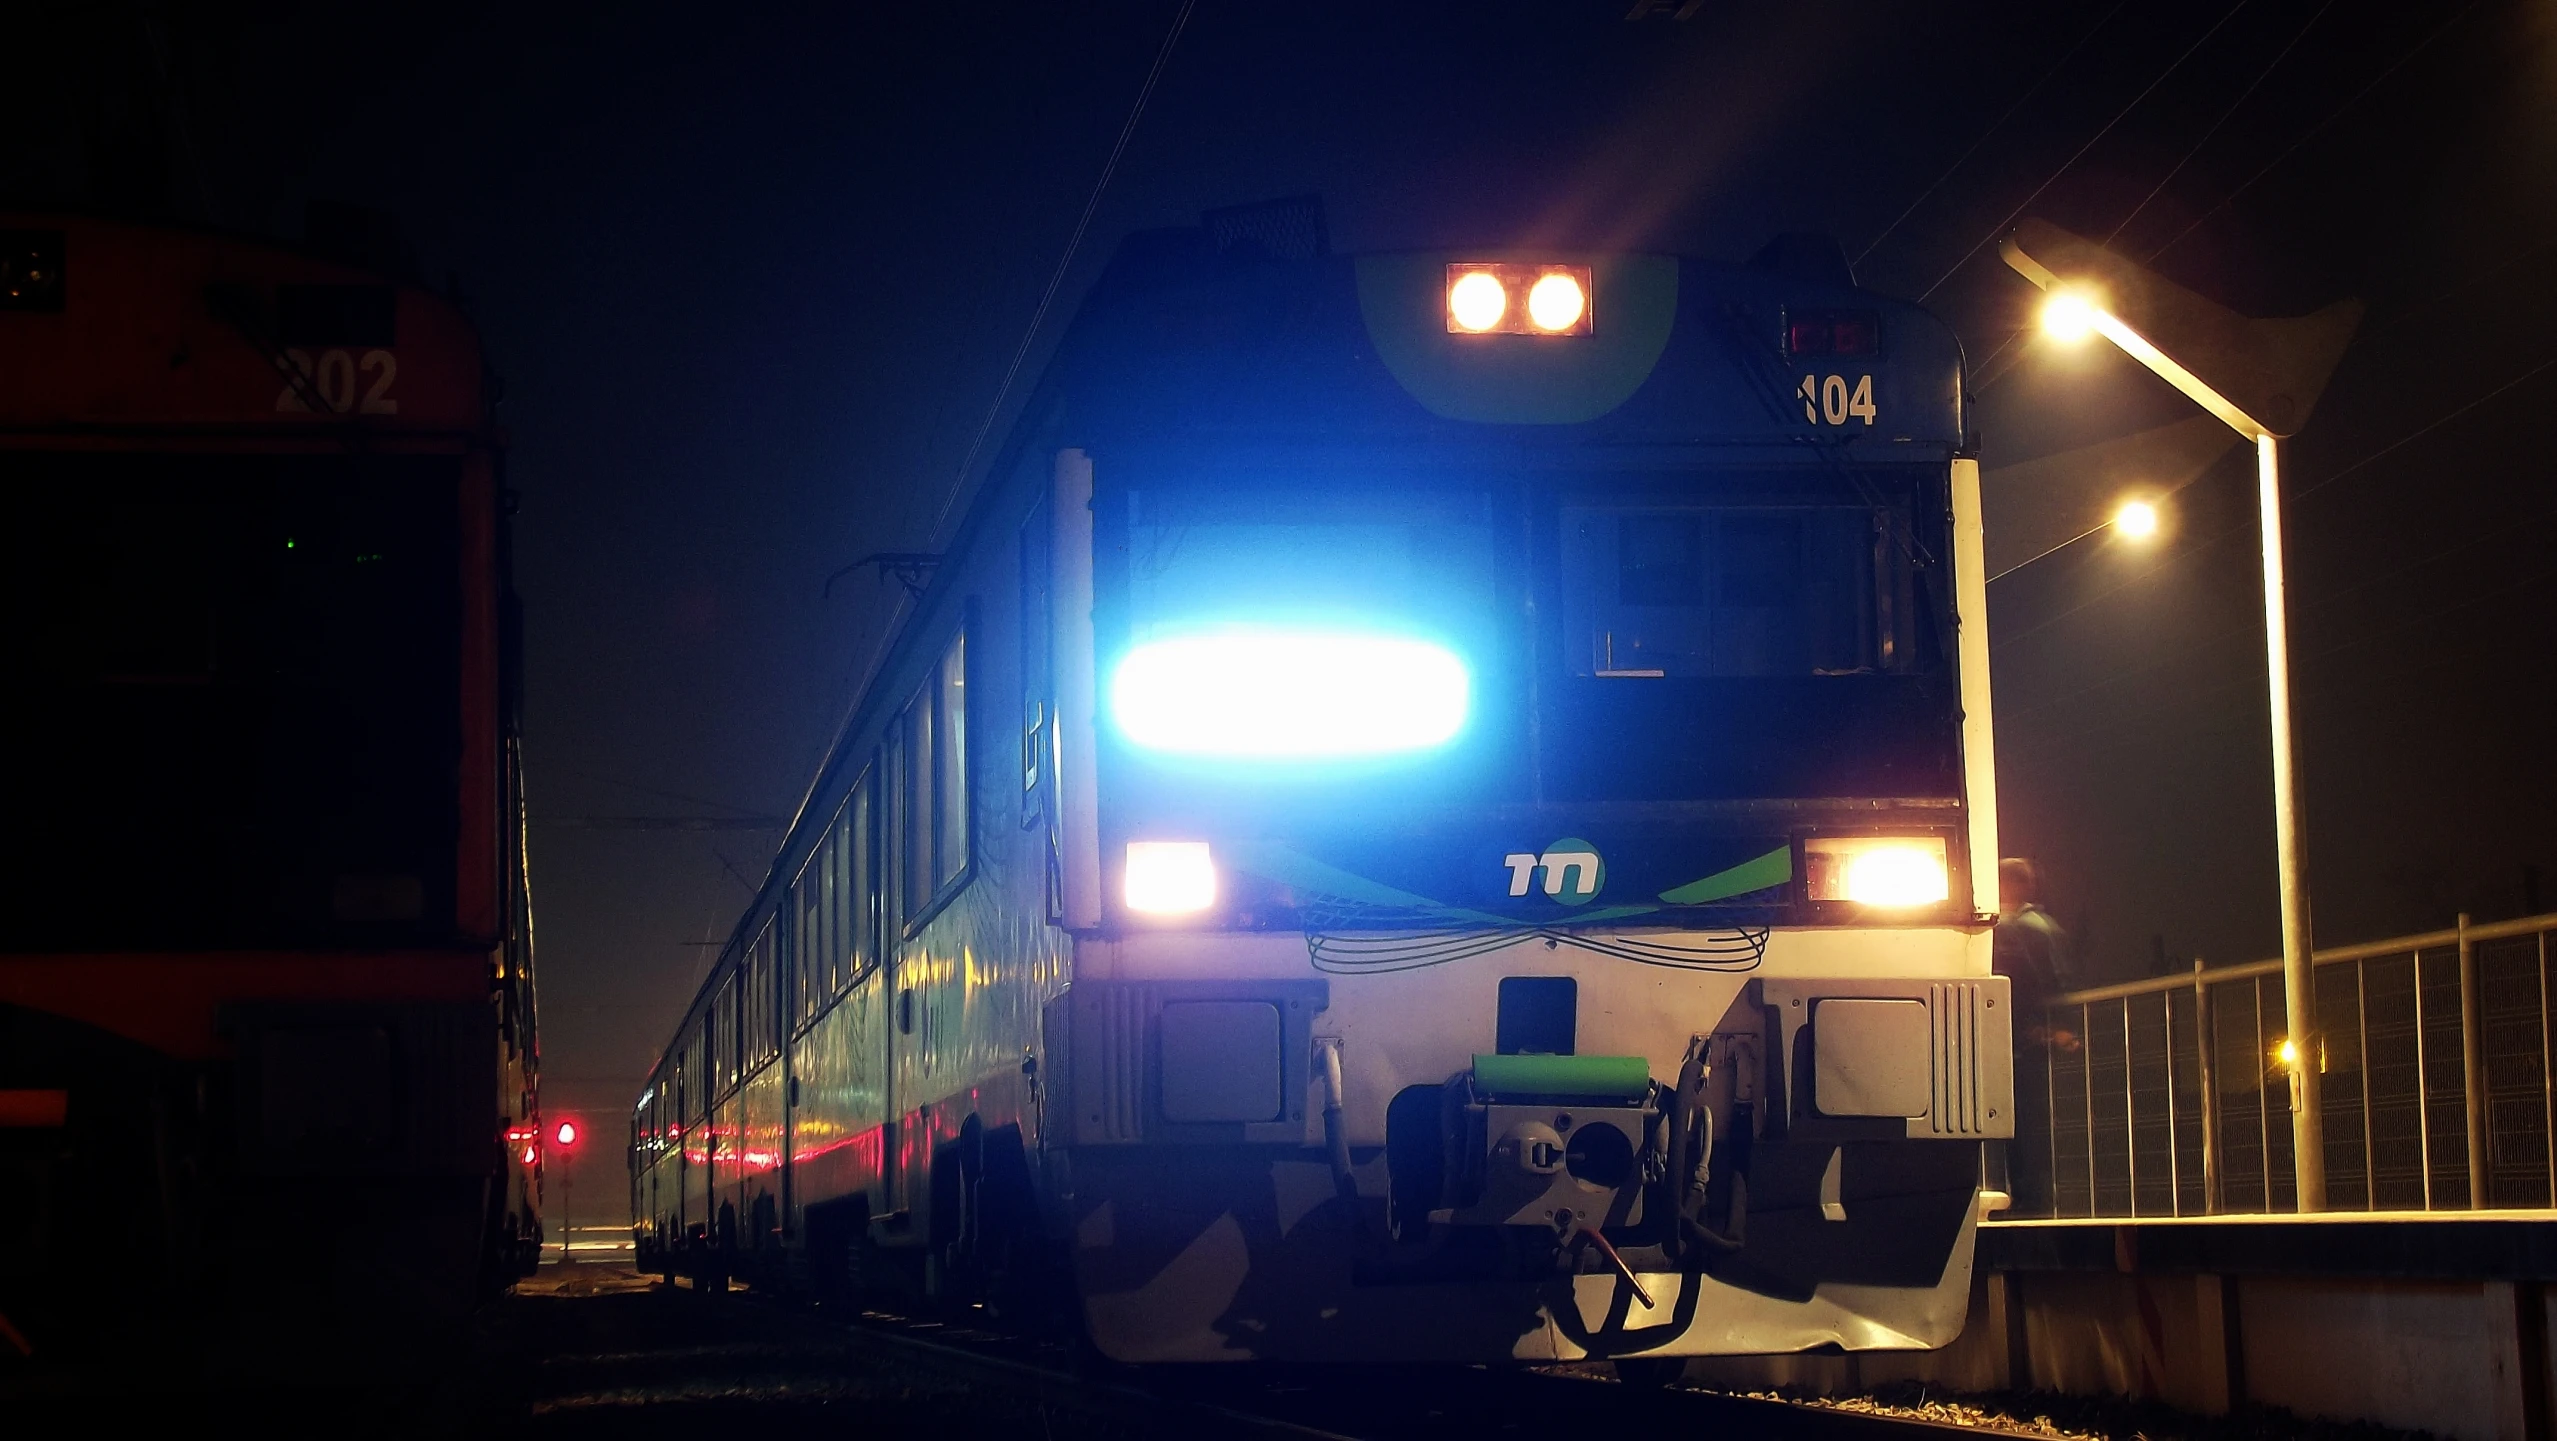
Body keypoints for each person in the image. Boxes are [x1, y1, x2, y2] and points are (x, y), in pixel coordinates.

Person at [1992, 858, 2074, 1215]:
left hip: (2024, 1038)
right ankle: (2028, 1199)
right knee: (2024, 1123)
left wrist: (2054, 1026)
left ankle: (2030, 1201)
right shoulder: (2038, 927)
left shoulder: (2026, 929)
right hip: (2026, 1038)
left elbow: (2051, 982)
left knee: (2025, 1123)